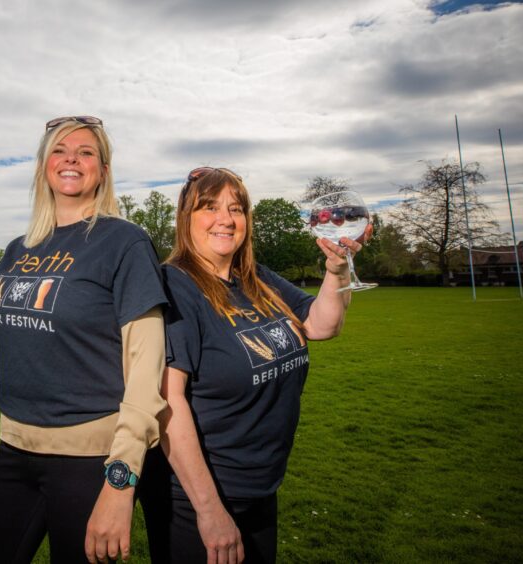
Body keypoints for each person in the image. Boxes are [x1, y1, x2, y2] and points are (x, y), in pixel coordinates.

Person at [0, 116, 168, 563]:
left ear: (103, 171)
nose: (71, 157)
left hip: (90, 460)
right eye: (59, 149)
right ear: (43, 167)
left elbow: (147, 371)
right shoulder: (21, 247)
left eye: (86, 152)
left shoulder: (124, 243)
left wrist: (121, 480)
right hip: (14, 449)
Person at [140, 167, 368, 563]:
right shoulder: (173, 286)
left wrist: (337, 271)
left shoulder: (256, 278)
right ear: (185, 218)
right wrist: (209, 512)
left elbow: (321, 325)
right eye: (209, 207)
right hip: (196, 496)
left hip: (259, 486)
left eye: (236, 208)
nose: (226, 219)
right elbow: (167, 404)